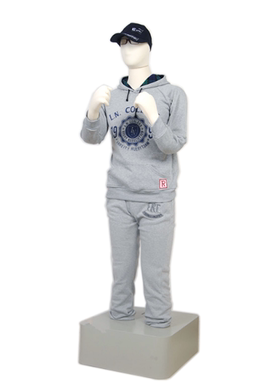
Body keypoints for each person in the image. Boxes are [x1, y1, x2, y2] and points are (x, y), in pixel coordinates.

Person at [80, 23, 187, 328]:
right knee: (121, 270)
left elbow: (173, 143)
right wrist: (92, 111)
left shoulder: (173, 94)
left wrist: (153, 116)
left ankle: (158, 324)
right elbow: (91, 138)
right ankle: (119, 320)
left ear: (148, 48)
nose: (127, 49)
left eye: (135, 43)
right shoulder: (112, 95)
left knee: (155, 272)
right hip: (119, 196)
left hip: (157, 197)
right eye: (123, 43)